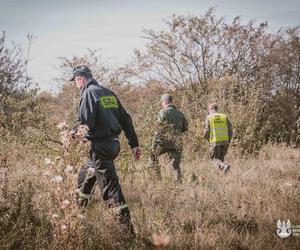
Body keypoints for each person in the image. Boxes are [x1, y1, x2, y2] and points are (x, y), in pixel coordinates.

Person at [70, 65, 141, 235]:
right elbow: (125, 118)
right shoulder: (108, 92)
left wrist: (71, 134)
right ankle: (74, 217)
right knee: (84, 178)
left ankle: (127, 234)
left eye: (75, 81)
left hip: (100, 147)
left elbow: (86, 123)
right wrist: (134, 144)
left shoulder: (88, 92)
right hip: (112, 145)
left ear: (80, 79)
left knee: (111, 190)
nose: (76, 84)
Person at [149, 94, 188, 182]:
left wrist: (154, 142)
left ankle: (158, 179)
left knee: (152, 155)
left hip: (164, 142)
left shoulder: (163, 112)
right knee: (175, 164)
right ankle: (177, 182)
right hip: (177, 142)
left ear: (165, 102)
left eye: (162, 102)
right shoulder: (180, 113)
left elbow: (159, 128)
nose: (161, 104)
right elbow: (185, 129)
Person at [204, 103, 233, 173]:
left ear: (210, 109)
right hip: (225, 141)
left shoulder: (209, 117)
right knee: (221, 159)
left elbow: (207, 131)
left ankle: (224, 166)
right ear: (217, 109)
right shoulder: (224, 116)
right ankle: (222, 175)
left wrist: (208, 140)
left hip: (215, 142)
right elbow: (230, 130)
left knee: (214, 159)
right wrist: (228, 140)